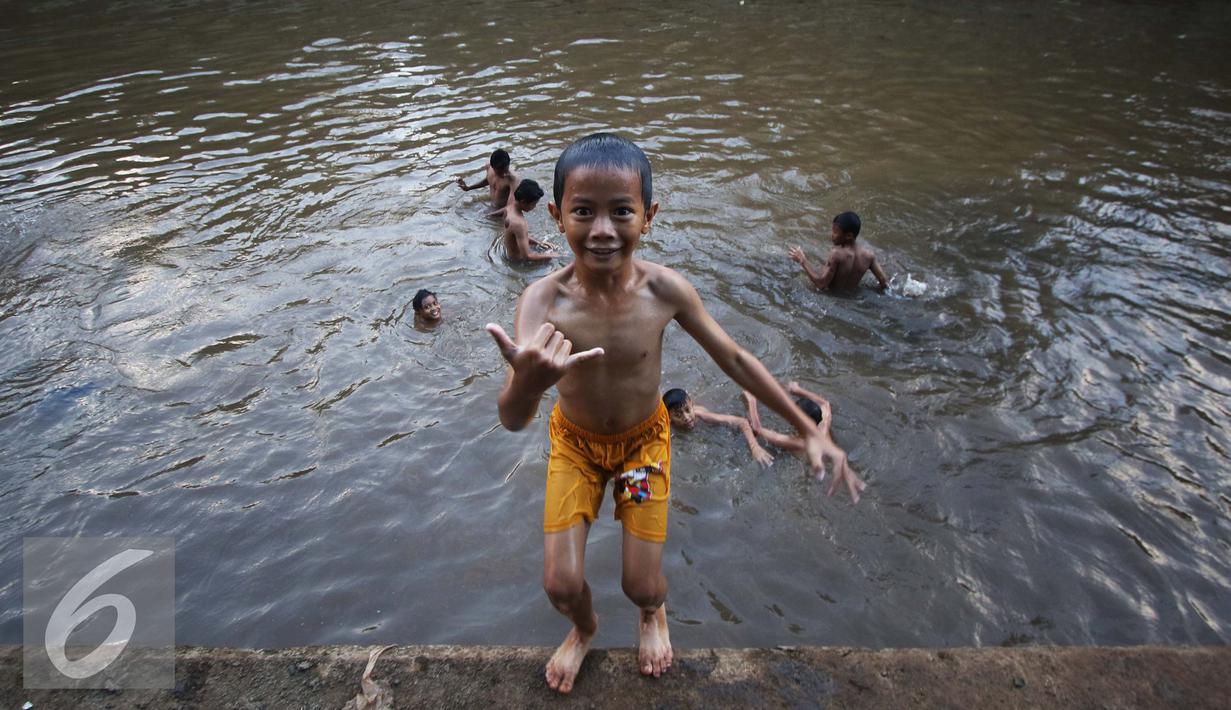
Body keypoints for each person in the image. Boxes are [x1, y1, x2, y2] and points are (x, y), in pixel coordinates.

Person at [485, 133, 861, 695]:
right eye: (584, 211)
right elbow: (514, 419)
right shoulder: (541, 302)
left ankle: (650, 613)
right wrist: (530, 385)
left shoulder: (664, 290)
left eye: (622, 212)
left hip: (641, 448)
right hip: (576, 450)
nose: (603, 230)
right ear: (558, 215)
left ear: (649, 216)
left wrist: (809, 429)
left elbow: (735, 358)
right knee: (560, 584)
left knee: (642, 583)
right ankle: (584, 628)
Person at [742, 382, 866, 502]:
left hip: (813, 475)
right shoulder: (824, 426)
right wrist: (798, 390)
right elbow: (825, 404)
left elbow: (756, 430)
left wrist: (751, 401)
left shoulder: (797, 443)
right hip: (831, 465)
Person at [662, 388, 773, 467]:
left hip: (714, 424)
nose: (686, 417)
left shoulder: (702, 416)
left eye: (687, 410)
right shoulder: (667, 425)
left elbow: (741, 422)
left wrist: (754, 447)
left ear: (691, 404)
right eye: (678, 415)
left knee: (753, 429)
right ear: (669, 418)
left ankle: (749, 402)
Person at [787, 211, 889, 292]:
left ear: (848, 236)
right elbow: (884, 283)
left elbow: (821, 284)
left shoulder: (837, 254)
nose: (832, 234)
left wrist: (802, 260)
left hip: (832, 300)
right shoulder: (869, 255)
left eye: (835, 232)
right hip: (851, 299)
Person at [501, 179, 561, 262]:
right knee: (556, 257)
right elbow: (527, 256)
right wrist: (552, 256)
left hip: (510, 254)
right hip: (518, 261)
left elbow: (516, 236)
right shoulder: (519, 223)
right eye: (534, 204)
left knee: (546, 246)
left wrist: (538, 243)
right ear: (523, 202)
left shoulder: (509, 208)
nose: (535, 207)